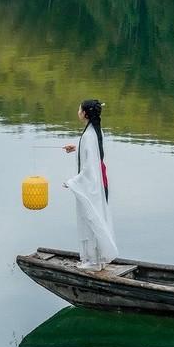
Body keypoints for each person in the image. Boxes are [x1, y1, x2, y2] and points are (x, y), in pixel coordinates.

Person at [62, 99, 118, 271]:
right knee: (96, 216)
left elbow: (88, 169)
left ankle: (93, 262)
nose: (77, 111)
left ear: (85, 113)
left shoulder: (88, 136)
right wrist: (77, 147)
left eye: (79, 109)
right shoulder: (94, 131)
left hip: (92, 184)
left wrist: (72, 182)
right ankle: (96, 259)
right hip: (99, 180)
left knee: (90, 219)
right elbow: (91, 155)